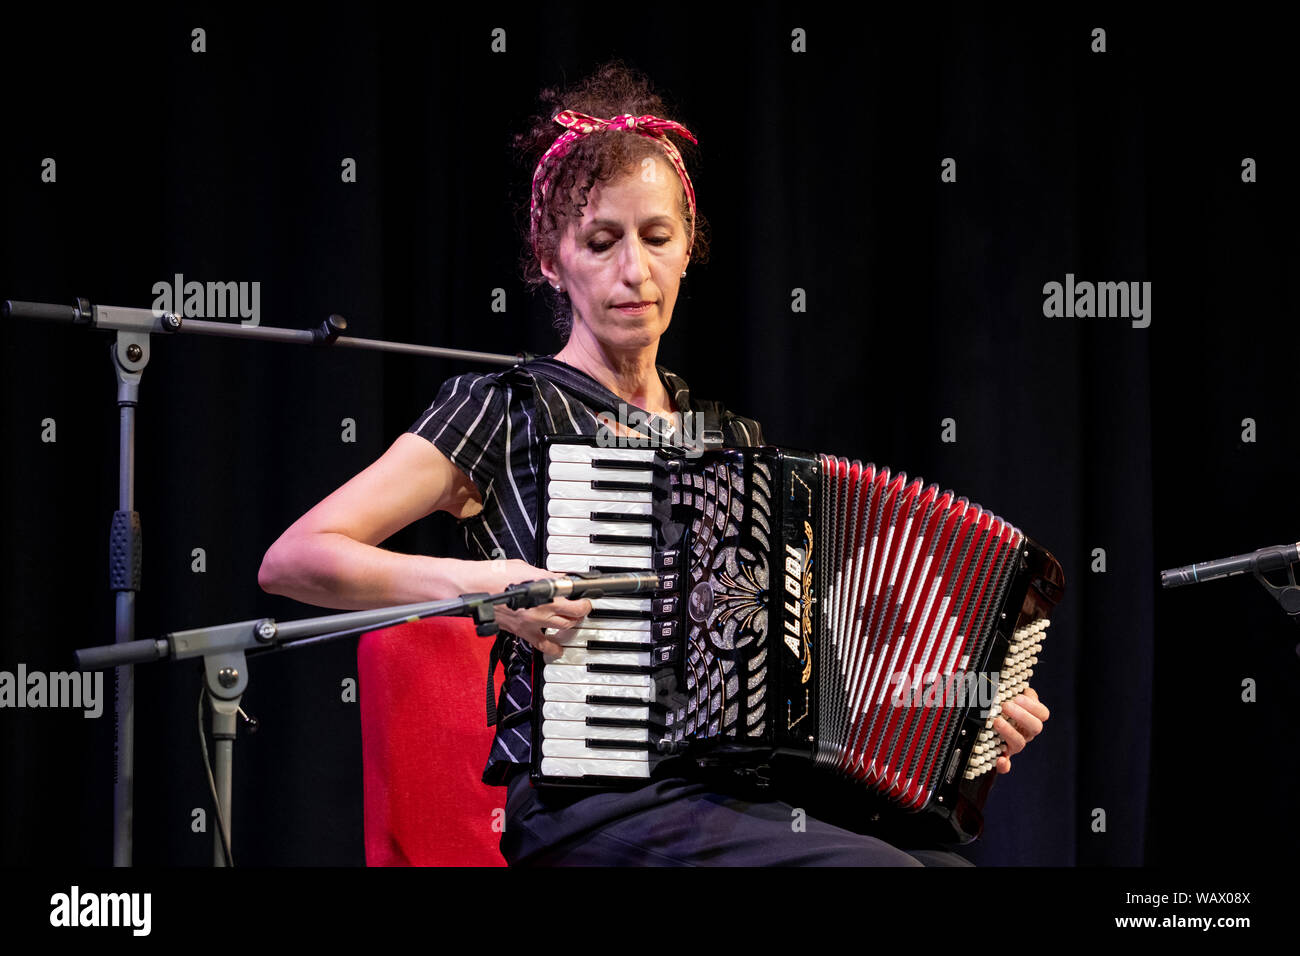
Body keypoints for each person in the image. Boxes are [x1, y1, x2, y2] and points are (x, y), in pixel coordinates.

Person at [257, 59, 1050, 866]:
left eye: (656, 238)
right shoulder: (506, 407)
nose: (633, 270)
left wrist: (963, 707)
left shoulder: (731, 442)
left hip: (737, 797)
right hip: (589, 805)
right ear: (550, 256)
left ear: (687, 250)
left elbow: (825, 663)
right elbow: (295, 560)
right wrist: (484, 587)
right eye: (601, 241)